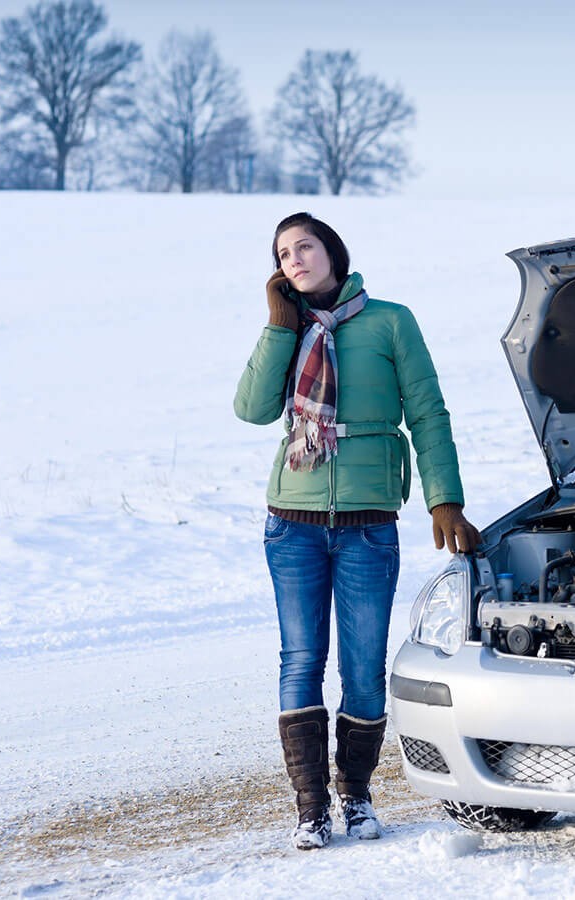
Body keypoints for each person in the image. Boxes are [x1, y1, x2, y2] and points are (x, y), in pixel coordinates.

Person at [234, 212, 480, 850]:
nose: (295, 259)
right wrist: (277, 325)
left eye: (305, 246)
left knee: (364, 668)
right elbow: (254, 409)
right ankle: (311, 807)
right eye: (283, 253)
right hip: (291, 522)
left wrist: (443, 499)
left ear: (332, 251)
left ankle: (359, 796)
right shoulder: (288, 329)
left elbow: (427, 412)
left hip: (368, 523)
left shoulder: (390, 321)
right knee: (300, 661)